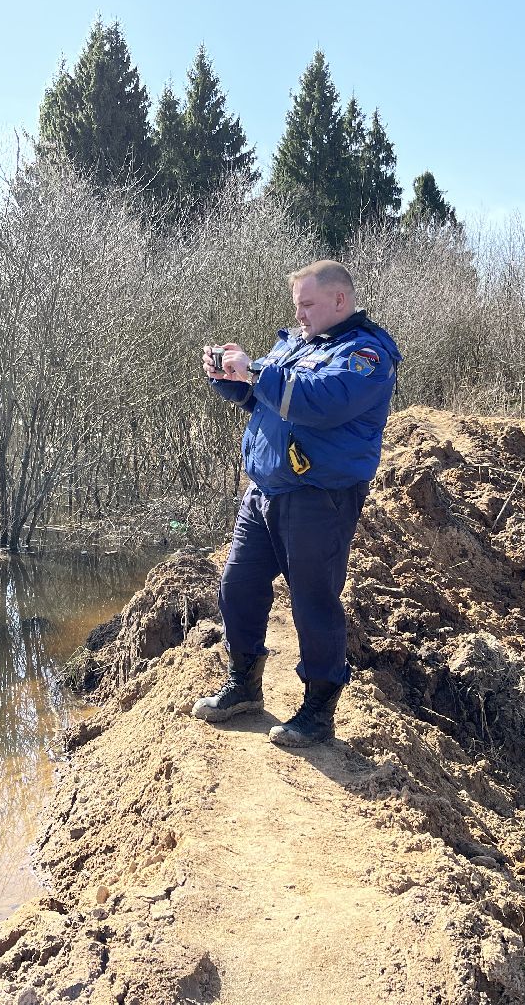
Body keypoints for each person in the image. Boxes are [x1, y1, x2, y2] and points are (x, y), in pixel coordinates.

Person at [193, 260, 401, 746]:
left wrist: (257, 372)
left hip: (319, 497)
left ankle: (318, 709)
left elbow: (319, 402)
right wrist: (231, 377)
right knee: (237, 585)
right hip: (264, 490)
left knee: (313, 600)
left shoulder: (366, 355)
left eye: (308, 304)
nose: (300, 313)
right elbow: (265, 399)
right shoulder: (294, 344)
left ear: (339, 301)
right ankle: (243, 685)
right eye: (297, 305)